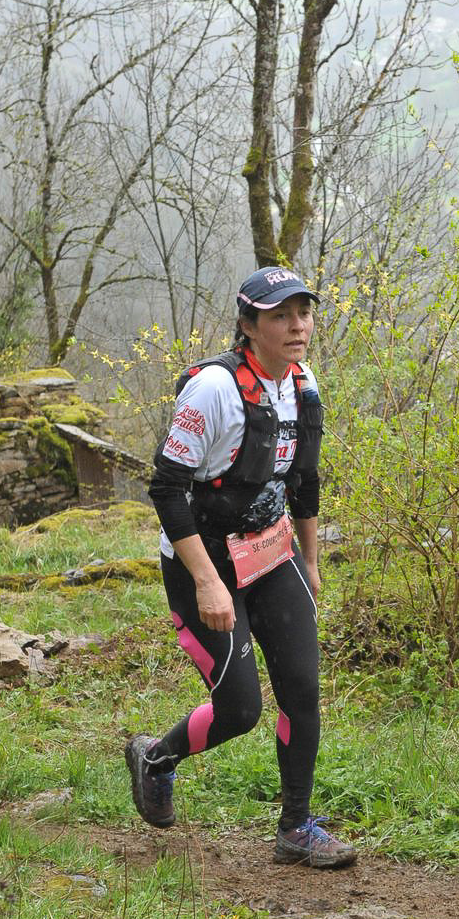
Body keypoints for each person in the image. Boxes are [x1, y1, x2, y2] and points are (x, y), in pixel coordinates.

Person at [126, 267, 357, 869]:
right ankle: (156, 757)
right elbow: (166, 489)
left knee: (302, 690)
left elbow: (304, 479)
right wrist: (208, 582)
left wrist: (310, 560)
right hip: (202, 560)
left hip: (272, 552)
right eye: (281, 316)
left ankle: (296, 827)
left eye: (304, 312)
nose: (298, 326)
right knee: (240, 710)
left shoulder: (303, 383)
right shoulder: (213, 389)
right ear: (249, 326)